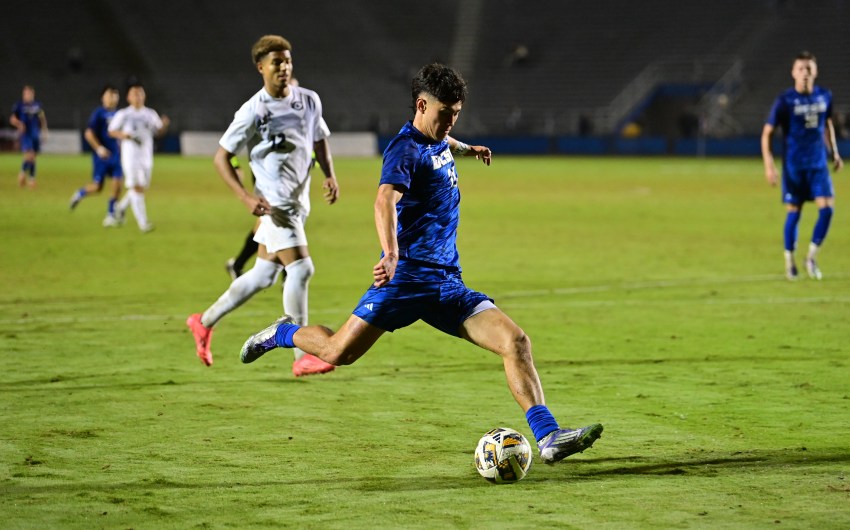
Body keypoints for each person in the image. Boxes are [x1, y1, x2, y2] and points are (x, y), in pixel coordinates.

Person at [239, 63, 604, 464]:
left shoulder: (439, 140)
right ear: (421, 105)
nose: (449, 122)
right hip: (406, 279)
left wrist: (470, 148)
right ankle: (282, 332)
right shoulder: (404, 148)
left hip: (447, 282)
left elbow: (445, 145)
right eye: (444, 114)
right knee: (337, 352)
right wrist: (391, 254)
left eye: (456, 115)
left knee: (515, 342)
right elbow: (384, 200)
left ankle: (549, 436)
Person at [186, 35, 341, 378]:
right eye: (276, 63)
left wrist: (329, 174)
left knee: (262, 275)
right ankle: (301, 353)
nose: (284, 67)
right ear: (261, 68)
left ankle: (203, 321)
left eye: (287, 61)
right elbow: (221, 157)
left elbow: (319, 140)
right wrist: (245, 196)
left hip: (299, 203)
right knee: (300, 270)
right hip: (275, 205)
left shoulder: (309, 100)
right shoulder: (253, 110)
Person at [761, 51, 843, 280]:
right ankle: (790, 260)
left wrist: (835, 152)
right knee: (794, 213)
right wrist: (769, 165)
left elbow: (827, 124)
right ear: (793, 73)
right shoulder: (785, 101)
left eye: (809, 69)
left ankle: (812, 257)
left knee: (827, 210)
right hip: (794, 167)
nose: (805, 73)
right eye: (801, 69)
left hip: (818, 165)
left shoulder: (825, 96)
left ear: (815, 72)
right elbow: (767, 133)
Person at [108, 82, 170, 232]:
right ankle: (143, 224)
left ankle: (119, 209)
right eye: (135, 94)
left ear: (144, 96)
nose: (138, 97)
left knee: (140, 187)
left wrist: (164, 126)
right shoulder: (124, 114)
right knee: (137, 188)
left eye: (140, 94)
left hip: (146, 157)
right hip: (130, 157)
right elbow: (111, 131)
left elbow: (158, 132)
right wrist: (126, 135)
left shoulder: (150, 113)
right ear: (129, 97)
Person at [70, 85, 124, 226]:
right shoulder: (99, 113)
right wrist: (99, 148)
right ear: (103, 98)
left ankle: (110, 215)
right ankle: (80, 194)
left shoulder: (120, 114)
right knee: (97, 187)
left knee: (117, 185)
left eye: (115, 95)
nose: (113, 98)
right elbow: (88, 133)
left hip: (117, 156)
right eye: (110, 95)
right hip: (102, 157)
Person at [9, 85, 48, 188]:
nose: (26, 95)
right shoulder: (19, 105)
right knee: (29, 155)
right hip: (26, 134)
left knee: (33, 157)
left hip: (35, 134)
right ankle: (22, 173)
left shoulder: (38, 105)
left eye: (28, 93)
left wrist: (44, 131)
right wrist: (19, 124)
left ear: (32, 94)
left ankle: (31, 180)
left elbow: (42, 119)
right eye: (25, 93)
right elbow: (12, 119)